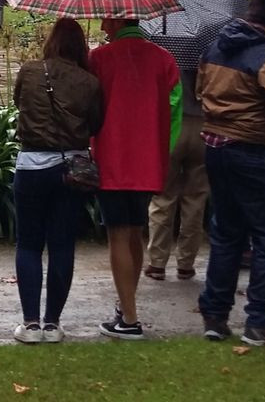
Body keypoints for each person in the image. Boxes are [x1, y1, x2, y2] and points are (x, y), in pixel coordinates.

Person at [196, 0, 265, 347]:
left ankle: (215, 315)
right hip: (256, 151)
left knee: (226, 232)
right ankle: (260, 320)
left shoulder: (214, 47)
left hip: (215, 147)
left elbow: (201, 90)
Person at [10, 17, 104, 344]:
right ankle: (53, 324)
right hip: (70, 170)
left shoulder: (29, 71)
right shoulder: (89, 82)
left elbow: (17, 103)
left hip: (31, 165)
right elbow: (95, 125)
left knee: (28, 244)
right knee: (62, 245)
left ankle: (30, 324)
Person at [88, 17, 178, 339]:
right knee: (135, 233)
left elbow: (89, 104)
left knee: (117, 236)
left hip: (112, 158)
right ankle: (127, 304)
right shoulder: (163, 58)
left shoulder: (98, 58)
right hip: (148, 160)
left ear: (114, 19)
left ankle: (129, 317)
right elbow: (173, 105)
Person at [144, 7, 223, 285]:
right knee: (195, 198)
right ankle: (186, 264)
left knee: (163, 197)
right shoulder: (213, 46)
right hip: (202, 125)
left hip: (172, 127)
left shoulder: (164, 42)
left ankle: (156, 262)